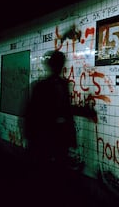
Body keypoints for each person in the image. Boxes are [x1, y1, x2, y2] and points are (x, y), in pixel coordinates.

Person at [23, 50, 96, 205]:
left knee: (56, 173)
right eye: (59, 63)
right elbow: (35, 113)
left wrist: (84, 111)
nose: (60, 66)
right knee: (47, 174)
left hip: (59, 137)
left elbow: (64, 108)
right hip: (46, 137)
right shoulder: (43, 86)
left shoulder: (59, 84)